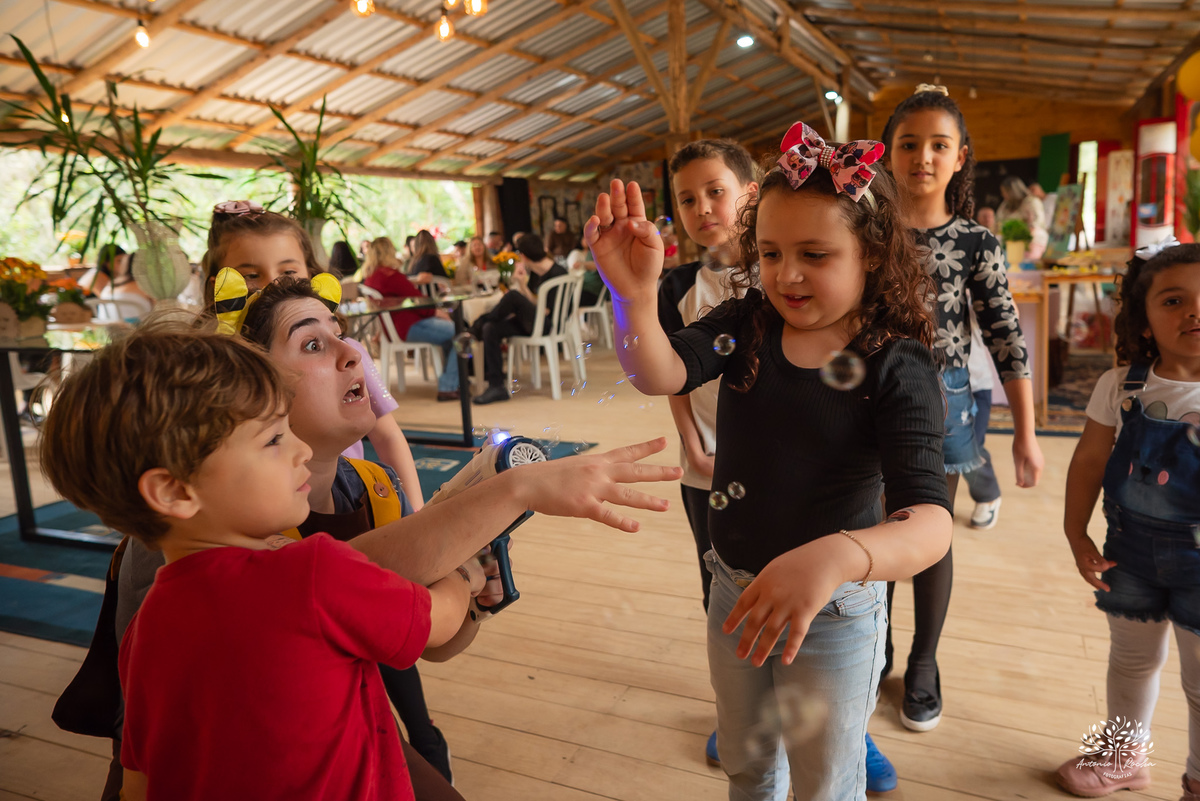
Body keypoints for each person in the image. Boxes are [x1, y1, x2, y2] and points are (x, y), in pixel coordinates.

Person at [587, 120, 954, 800]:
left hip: (835, 616)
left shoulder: (895, 365)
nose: (786, 274)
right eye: (771, 251)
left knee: (824, 782)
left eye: (815, 254)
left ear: (870, 254)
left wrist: (838, 556)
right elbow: (660, 372)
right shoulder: (747, 320)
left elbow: (930, 522)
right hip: (734, 590)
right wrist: (633, 297)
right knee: (749, 767)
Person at [40, 322, 484, 801]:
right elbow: (437, 623)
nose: (302, 450)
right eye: (274, 439)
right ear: (173, 490)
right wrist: (465, 573)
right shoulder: (311, 574)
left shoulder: (146, 629)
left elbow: (137, 782)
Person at [882, 85, 1044, 732]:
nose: (923, 156)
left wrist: (1025, 434)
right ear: (888, 155)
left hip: (940, 397)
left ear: (960, 157)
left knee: (926, 526)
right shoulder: (861, 227)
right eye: (909, 143)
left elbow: (1005, 334)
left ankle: (923, 660)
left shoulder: (976, 241)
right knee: (869, 520)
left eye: (938, 145)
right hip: (863, 392)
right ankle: (878, 648)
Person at [1054, 242, 1200, 800]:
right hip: (1130, 555)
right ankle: (1123, 757)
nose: (1193, 312)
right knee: (1131, 661)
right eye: (1173, 300)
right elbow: (1088, 462)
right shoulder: (1120, 385)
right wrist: (1075, 534)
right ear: (1143, 320)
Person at [653, 138, 758, 771]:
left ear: (750, 191)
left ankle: (845, 725)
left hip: (783, 465)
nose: (702, 208)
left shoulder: (781, 271)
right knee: (717, 587)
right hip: (709, 467)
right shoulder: (679, 287)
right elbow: (671, 370)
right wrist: (690, 439)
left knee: (807, 597)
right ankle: (736, 712)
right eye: (687, 199)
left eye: (715, 190)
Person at [202, 207, 426, 494]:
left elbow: (387, 435)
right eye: (251, 275)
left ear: (311, 273)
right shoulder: (220, 371)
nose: (274, 284)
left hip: (346, 493)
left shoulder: (348, 351)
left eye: (289, 271)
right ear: (220, 286)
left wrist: (414, 508)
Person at [469, 234, 567, 405]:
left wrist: (520, 292)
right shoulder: (537, 273)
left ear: (524, 256)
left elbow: (544, 310)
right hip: (532, 322)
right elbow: (534, 302)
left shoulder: (558, 273)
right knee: (490, 328)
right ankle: (497, 386)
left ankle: (476, 326)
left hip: (547, 325)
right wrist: (522, 284)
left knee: (513, 297)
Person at [362, 237, 461, 402]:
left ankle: (454, 380)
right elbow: (419, 301)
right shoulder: (391, 276)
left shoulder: (372, 277)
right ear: (388, 252)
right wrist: (437, 313)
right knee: (460, 332)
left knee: (451, 336)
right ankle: (448, 386)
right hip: (409, 327)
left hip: (393, 328)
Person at [962, 317, 1002, 528]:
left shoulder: (968, 295)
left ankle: (988, 496)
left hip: (975, 387)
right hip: (931, 386)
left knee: (971, 447)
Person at [80, 244, 154, 319]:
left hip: (108, 324)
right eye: (119, 261)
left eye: (123, 261)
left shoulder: (113, 283)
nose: (121, 264)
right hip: (84, 316)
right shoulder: (96, 276)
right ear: (107, 262)